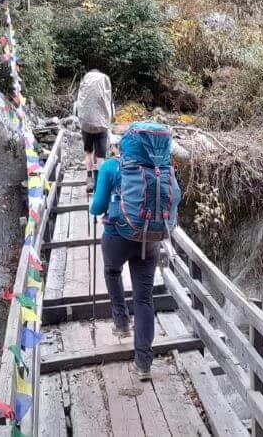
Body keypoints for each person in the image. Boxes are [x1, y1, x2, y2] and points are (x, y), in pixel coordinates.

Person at [89, 121, 181, 382]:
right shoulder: (164, 170)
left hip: (118, 236)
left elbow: (97, 208)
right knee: (144, 299)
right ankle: (143, 363)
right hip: (149, 241)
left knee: (112, 270)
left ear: (125, 146)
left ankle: (120, 323)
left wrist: (96, 209)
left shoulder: (111, 167)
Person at [72, 69, 114, 193]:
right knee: (100, 156)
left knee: (89, 152)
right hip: (101, 126)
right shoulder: (105, 86)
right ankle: (100, 183)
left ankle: (89, 179)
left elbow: (77, 107)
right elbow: (111, 110)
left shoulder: (84, 87)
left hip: (86, 125)